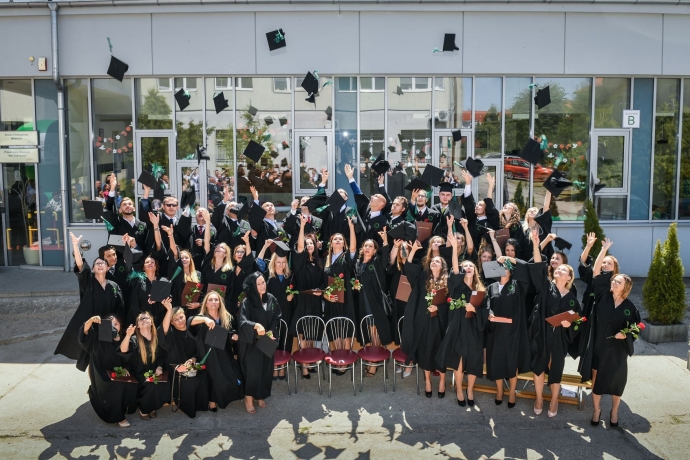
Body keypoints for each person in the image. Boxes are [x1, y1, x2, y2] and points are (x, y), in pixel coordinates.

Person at [578, 238, 639, 428]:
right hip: (599, 345)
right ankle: (596, 410)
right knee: (597, 381)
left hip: (617, 350)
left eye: (617, 281)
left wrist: (626, 335)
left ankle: (614, 411)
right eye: (613, 281)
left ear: (625, 286)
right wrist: (603, 249)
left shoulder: (630, 307)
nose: (614, 283)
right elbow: (596, 272)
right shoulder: (602, 295)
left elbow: (636, 327)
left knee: (616, 382)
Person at [528, 227, 581, 418]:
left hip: (559, 337)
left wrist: (569, 325)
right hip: (542, 332)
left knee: (556, 367)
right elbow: (537, 265)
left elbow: (578, 320)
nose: (558, 270)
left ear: (569, 277)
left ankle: (554, 400)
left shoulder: (572, 298)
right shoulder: (546, 287)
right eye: (557, 269)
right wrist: (536, 244)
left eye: (563, 269)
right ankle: (539, 399)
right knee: (539, 366)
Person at [55, 233, 124, 371]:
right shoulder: (88, 281)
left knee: (106, 354)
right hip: (91, 325)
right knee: (92, 356)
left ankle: (105, 380)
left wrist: (116, 323)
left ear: (107, 268)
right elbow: (80, 265)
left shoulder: (114, 286)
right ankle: (94, 382)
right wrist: (75, 245)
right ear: (93, 269)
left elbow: (119, 307)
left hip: (107, 325)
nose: (100, 265)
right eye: (97, 263)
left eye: (103, 263)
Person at [436, 234, 488, 407]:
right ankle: (459, 389)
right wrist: (454, 250)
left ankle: (470, 390)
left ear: (475, 270)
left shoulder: (481, 289)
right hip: (458, 325)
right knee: (459, 359)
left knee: (474, 359)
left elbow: (485, 310)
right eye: (465, 266)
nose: (468, 268)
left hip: (473, 327)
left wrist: (475, 310)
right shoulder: (456, 285)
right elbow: (455, 268)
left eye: (470, 266)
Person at [401, 240, 450, 398]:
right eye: (432, 262)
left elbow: (450, 303)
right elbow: (408, 268)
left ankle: (442, 381)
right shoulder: (423, 278)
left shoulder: (448, 281)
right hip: (424, 319)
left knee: (441, 351)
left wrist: (438, 308)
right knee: (426, 350)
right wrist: (414, 250)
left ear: (442, 266)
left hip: (441, 321)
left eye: (437, 262)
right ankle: (427, 381)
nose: (434, 263)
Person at [484, 253, 531, 408]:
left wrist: (508, 259)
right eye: (501, 267)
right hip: (495, 331)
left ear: (511, 271)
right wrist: (489, 313)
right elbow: (487, 305)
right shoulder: (491, 287)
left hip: (513, 331)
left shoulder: (518, 286)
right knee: (495, 361)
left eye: (506, 268)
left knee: (512, 361)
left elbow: (526, 268)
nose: (503, 269)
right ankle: (499, 390)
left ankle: (511, 392)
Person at [78, 315, 137, 427]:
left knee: (131, 383)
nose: (113, 326)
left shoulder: (123, 338)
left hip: (117, 371)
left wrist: (126, 368)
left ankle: (124, 407)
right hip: (101, 372)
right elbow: (84, 333)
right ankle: (118, 417)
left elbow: (128, 358)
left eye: (116, 324)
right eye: (110, 324)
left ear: (120, 326)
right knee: (115, 387)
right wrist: (91, 320)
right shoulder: (96, 337)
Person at [188, 292, 243, 411]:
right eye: (210, 300)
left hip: (224, 351)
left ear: (220, 303)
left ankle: (222, 397)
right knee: (213, 376)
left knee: (228, 375)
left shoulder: (226, 316)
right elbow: (190, 321)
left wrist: (234, 336)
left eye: (216, 300)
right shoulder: (202, 317)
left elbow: (232, 330)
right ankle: (212, 400)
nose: (213, 302)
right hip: (208, 352)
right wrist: (205, 320)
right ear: (206, 304)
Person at [238, 272, 282, 413]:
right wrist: (255, 325)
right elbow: (242, 321)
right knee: (253, 371)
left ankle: (260, 395)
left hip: (267, 340)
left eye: (263, 282)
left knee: (265, 369)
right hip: (251, 343)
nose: (263, 286)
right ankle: (249, 398)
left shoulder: (271, 299)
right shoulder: (247, 302)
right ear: (253, 286)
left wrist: (271, 331)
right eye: (259, 284)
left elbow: (276, 317)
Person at [120, 309, 172, 421]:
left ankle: (151, 405)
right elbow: (123, 350)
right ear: (138, 326)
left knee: (163, 383)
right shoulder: (134, 339)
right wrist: (128, 335)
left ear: (151, 322)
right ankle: (144, 409)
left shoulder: (156, 338)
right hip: (139, 372)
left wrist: (159, 367)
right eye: (140, 319)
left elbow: (161, 356)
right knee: (150, 385)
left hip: (154, 370)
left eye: (146, 318)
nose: (144, 320)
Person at [291, 216, 325, 378]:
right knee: (303, 333)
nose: (308, 245)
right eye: (306, 244)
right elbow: (299, 246)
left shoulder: (319, 262)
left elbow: (323, 281)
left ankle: (310, 360)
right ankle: (304, 365)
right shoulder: (300, 261)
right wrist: (302, 226)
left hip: (315, 300)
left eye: (311, 243)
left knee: (312, 332)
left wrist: (321, 291)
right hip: (302, 300)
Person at [160, 305, 210, 418]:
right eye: (176, 320)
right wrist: (169, 310)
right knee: (188, 382)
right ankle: (188, 408)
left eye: (181, 317)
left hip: (192, 364)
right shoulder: (171, 333)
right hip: (176, 367)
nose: (180, 321)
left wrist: (193, 359)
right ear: (172, 323)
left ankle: (201, 405)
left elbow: (198, 351)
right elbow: (164, 330)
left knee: (202, 377)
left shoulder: (192, 331)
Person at [354, 232, 392, 376]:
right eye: (365, 246)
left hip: (375, 302)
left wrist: (385, 240)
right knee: (369, 332)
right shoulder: (358, 264)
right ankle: (373, 359)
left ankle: (374, 364)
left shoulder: (376, 262)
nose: (367, 248)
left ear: (375, 250)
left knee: (375, 332)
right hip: (362, 302)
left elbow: (385, 258)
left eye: (370, 246)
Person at [322, 217, 358, 361]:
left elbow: (353, 248)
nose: (337, 240)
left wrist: (351, 227)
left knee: (345, 328)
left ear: (344, 243)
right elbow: (322, 282)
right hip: (331, 300)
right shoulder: (326, 261)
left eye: (340, 239)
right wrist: (325, 295)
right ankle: (335, 359)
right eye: (335, 239)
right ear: (331, 244)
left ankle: (345, 360)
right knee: (333, 329)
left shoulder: (346, 257)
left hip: (346, 299)